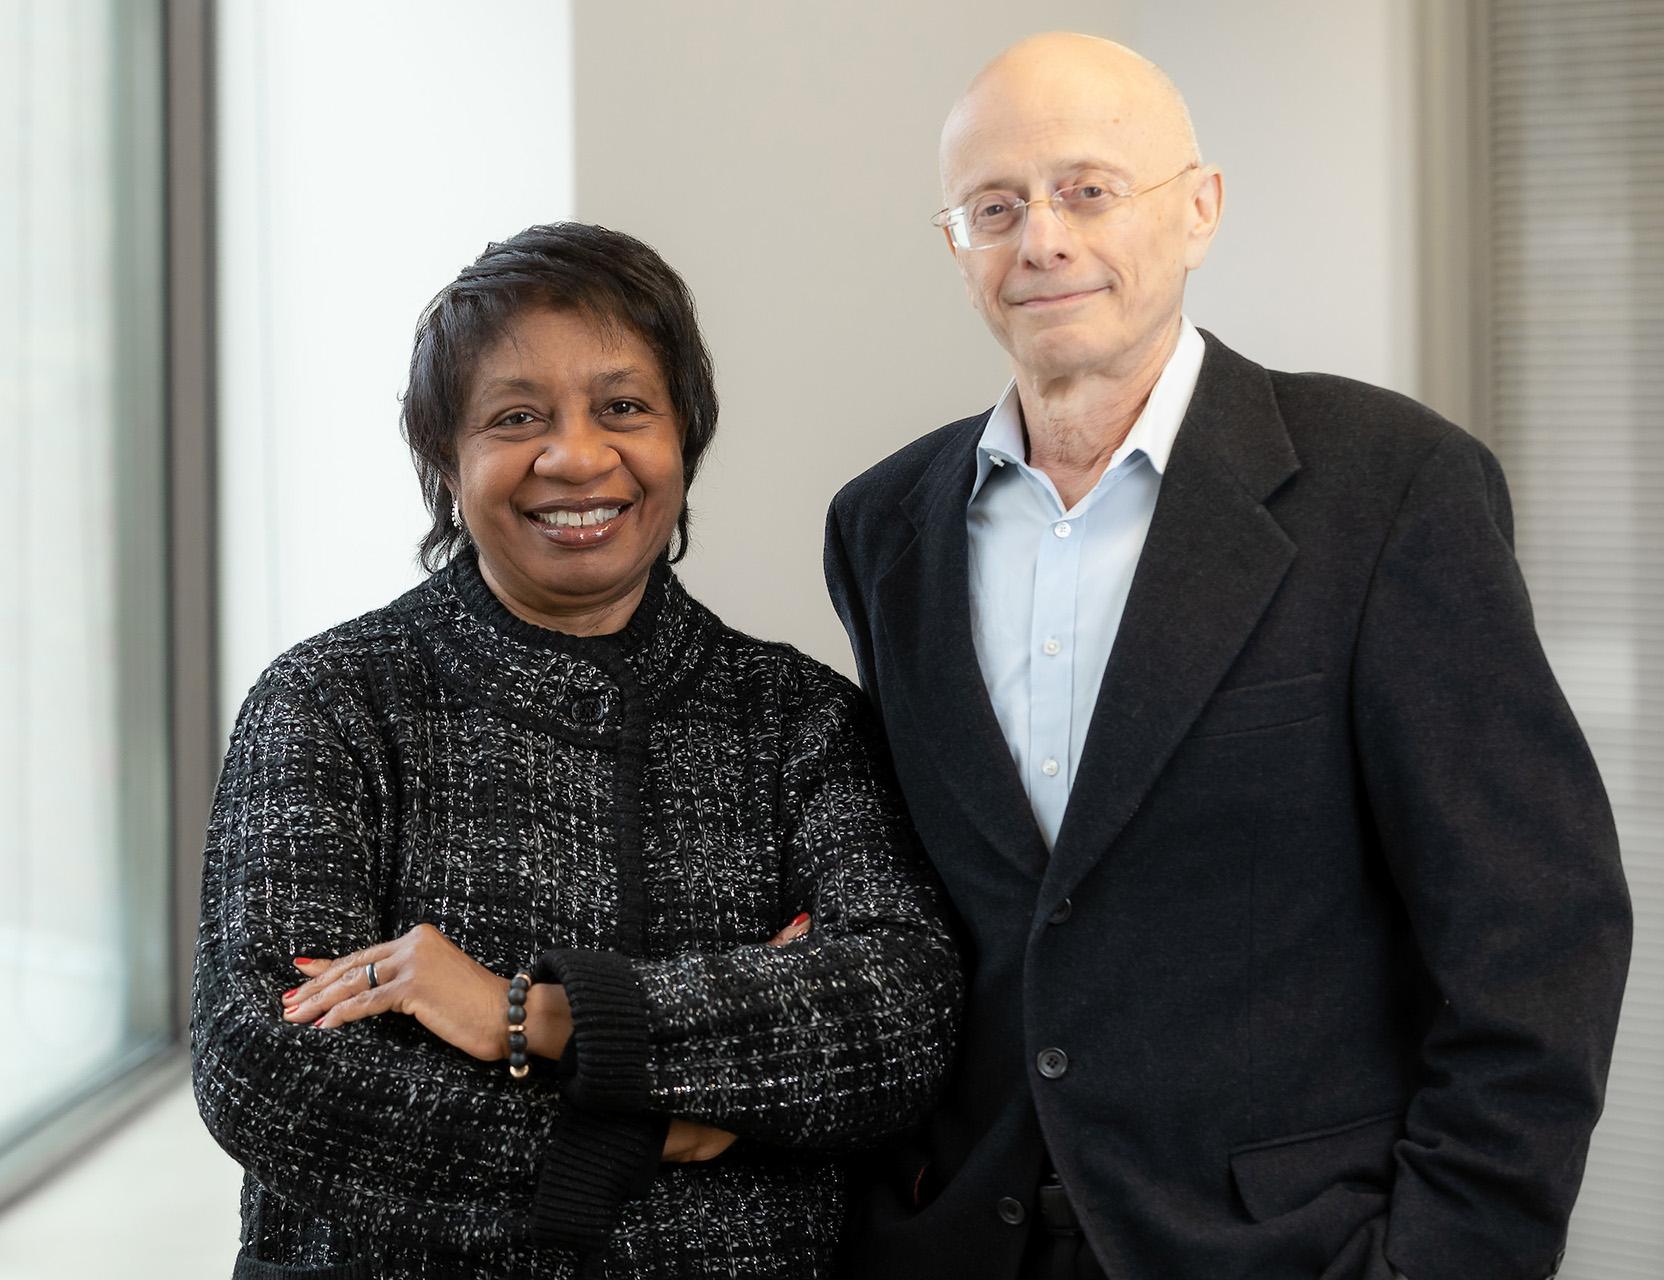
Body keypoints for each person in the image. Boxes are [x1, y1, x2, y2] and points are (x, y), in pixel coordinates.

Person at [825, 31, 1631, 1280]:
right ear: (956, 244)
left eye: (1089, 189)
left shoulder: (1391, 487)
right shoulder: (884, 527)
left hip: (1295, 1248)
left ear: (1198, 210)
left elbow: (1538, 935)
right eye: (995, 206)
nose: (1041, 238)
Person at [190, 221, 961, 1279]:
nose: (577, 456)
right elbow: (272, 1070)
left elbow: (898, 1020)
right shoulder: (331, 700)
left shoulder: (799, 716)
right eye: (516, 417)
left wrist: (522, 1013)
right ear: (444, 457)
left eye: (624, 407)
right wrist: (648, 1131)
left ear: (685, 434)